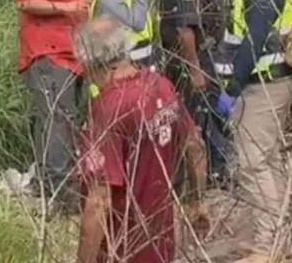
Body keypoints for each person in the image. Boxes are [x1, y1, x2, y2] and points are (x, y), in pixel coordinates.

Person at [74, 15, 210, 263]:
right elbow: (195, 146)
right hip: (160, 242)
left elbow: (99, 201)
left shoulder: (107, 110)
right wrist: (197, 201)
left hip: (122, 248)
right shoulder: (161, 86)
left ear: (89, 63)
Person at [214, 0, 292, 263]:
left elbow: (254, 40)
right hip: (276, 81)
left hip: (264, 84)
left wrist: (233, 87)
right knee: (269, 160)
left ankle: (270, 245)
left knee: (254, 164)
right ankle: (277, 239)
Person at [15, 0, 95, 209]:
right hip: (48, 54)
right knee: (57, 120)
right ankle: (58, 191)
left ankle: (57, 182)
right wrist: (67, 8)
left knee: (68, 119)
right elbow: (26, 1)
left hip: (77, 55)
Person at [159, 0, 235, 190]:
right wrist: (194, 70)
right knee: (196, 116)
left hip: (209, 53)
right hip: (193, 58)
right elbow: (185, 30)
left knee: (213, 114)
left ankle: (217, 170)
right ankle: (195, 179)